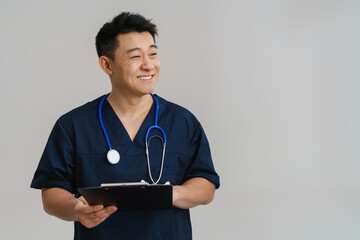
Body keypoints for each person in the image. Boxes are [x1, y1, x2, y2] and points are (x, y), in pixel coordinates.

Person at [30, 12, 220, 240]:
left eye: (153, 54)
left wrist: (168, 194)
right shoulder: (73, 125)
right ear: (107, 65)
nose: (149, 65)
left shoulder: (182, 122)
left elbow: (206, 185)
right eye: (135, 57)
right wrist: (75, 209)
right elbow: (51, 193)